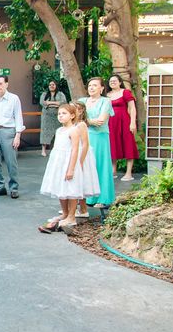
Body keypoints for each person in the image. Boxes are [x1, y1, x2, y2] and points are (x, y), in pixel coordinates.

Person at [39, 104, 83, 234]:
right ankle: (64, 213)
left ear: (72, 115)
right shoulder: (59, 131)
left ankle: (72, 215)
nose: (60, 116)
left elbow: (75, 150)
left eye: (64, 113)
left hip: (69, 163)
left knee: (71, 188)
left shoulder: (74, 130)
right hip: (59, 163)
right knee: (60, 188)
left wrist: (71, 169)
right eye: (59, 114)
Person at [78, 77, 115, 207]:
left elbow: (101, 121)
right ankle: (88, 198)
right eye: (89, 86)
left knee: (100, 165)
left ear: (102, 88)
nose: (92, 88)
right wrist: (90, 121)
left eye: (95, 85)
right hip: (84, 136)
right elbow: (76, 119)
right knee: (86, 166)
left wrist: (86, 121)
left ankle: (103, 198)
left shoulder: (106, 101)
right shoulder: (82, 101)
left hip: (100, 137)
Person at [107, 74, 139, 181]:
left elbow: (132, 108)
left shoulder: (125, 92)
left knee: (128, 144)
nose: (113, 82)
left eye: (115, 81)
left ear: (120, 82)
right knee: (112, 145)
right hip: (111, 123)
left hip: (125, 122)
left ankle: (128, 173)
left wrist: (133, 123)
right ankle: (113, 170)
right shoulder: (107, 95)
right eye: (111, 81)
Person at [39, 80, 67, 156]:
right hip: (46, 117)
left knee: (59, 132)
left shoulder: (60, 94)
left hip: (58, 116)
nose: (51, 86)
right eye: (50, 85)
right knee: (45, 133)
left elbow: (63, 102)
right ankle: (43, 150)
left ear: (56, 85)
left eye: (53, 84)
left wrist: (50, 103)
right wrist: (56, 103)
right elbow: (42, 102)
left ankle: (57, 150)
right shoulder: (44, 94)